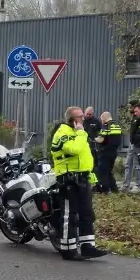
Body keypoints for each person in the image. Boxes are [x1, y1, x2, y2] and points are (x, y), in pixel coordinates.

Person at [50, 107, 108, 261]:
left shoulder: (77, 134)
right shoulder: (62, 133)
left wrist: (91, 178)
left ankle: (87, 247)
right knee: (70, 215)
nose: (83, 119)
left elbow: (84, 158)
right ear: (71, 119)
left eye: (83, 116)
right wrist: (81, 132)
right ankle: (68, 250)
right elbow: (74, 150)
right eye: (79, 117)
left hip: (82, 179)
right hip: (69, 180)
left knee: (87, 214)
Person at [93, 111, 122, 194]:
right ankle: (114, 189)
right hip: (114, 152)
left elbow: (101, 139)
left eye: (102, 119)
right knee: (109, 171)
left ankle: (105, 190)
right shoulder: (117, 125)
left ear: (104, 118)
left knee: (102, 172)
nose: (101, 121)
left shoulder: (106, 126)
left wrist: (94, 139)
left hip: (105, 152)